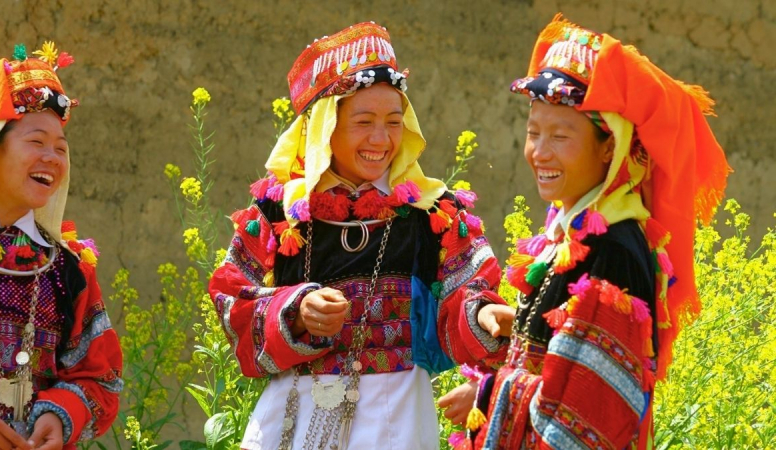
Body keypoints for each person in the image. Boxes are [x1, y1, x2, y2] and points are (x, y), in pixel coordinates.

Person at [209, 22, 511, 450]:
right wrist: (293, 310)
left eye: (393, 122)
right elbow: (229, 297)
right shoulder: (278, 213)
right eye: (363, 121)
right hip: (294, 419)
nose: (381, 139)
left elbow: (468, 292)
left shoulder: (433, 212)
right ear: (324, 128)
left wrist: (482, 314)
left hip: (398, 421)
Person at [438, 14, 729, 449]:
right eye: (533, 132)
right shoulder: (570, 235)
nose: (540, 152)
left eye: (560, 136)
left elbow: (586, 417)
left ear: (609, 146)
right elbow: (555, 362)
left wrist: (487, 394)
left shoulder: (613, 248)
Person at [0, 43, 123, 449]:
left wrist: (62, 416)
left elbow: (100, 377)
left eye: (61, 148)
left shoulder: (65, 269)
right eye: (37, 142)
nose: (53, 158)